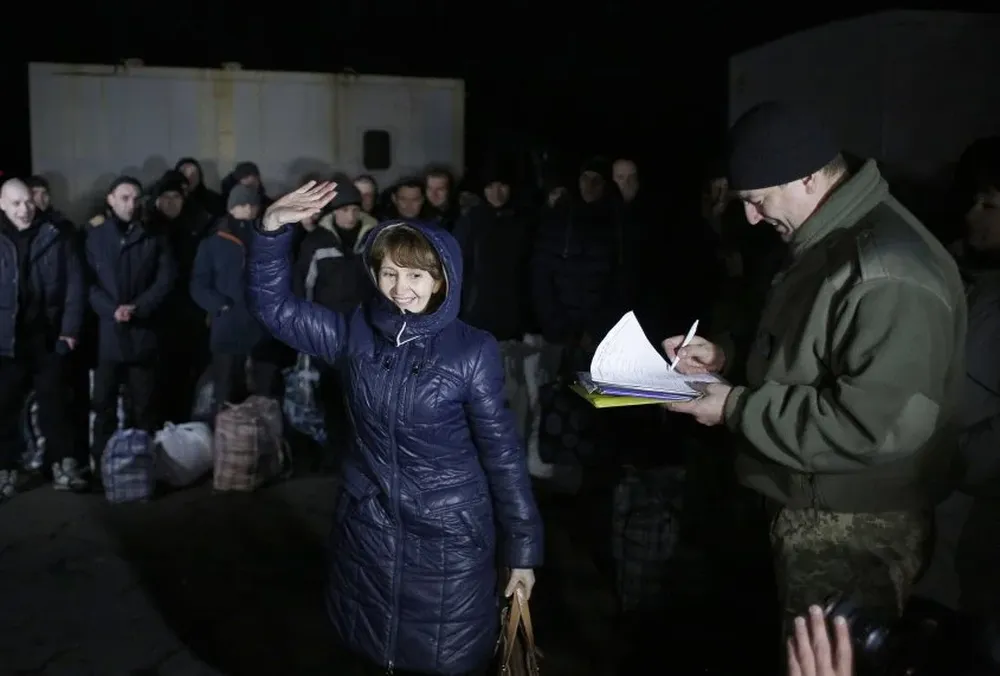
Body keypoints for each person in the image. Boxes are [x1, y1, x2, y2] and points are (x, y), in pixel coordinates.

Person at [664, 101, 967, 642]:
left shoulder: (885, 272)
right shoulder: (831, 237)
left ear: (806, 176)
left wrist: (731, 405)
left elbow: (872, 424)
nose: (752, 218)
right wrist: (726, 357)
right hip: (819, 502)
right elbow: (814, 346)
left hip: (851, 529)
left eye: (758, 201)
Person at [247, 181, 544, 675]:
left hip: (450, 544)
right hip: (369, 531)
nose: (400, 287)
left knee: (440, 662)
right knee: (368, 654)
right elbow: (274, 308)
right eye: (389, 272)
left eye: (415, 275)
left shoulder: (472, 351)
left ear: (442, 279)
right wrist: (271, 229)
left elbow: (503, 456)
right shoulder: (356, 332)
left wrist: (523, 552)